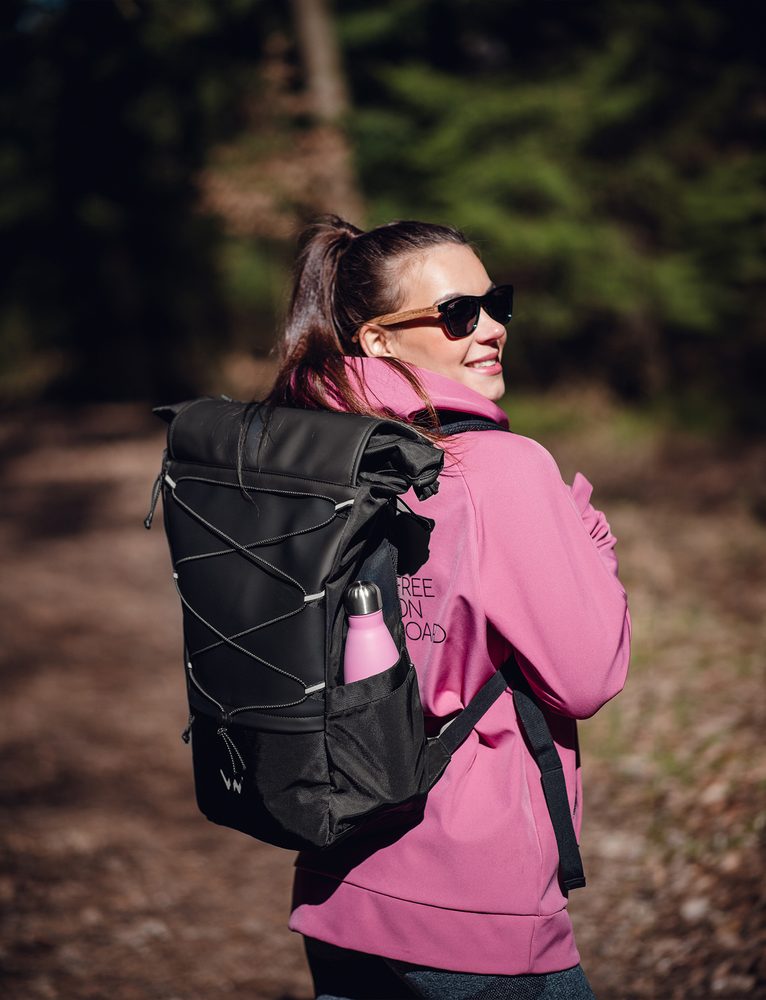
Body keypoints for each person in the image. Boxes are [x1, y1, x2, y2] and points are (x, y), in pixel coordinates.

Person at [265, 215, 632, 999]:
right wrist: (590, 537)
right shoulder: (503, 468)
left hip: (340, 881)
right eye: (458, 313)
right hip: (476, 903)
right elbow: (589, 676)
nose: (492, 327)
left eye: (495, 303)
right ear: (380, 342)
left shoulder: (321, 458)